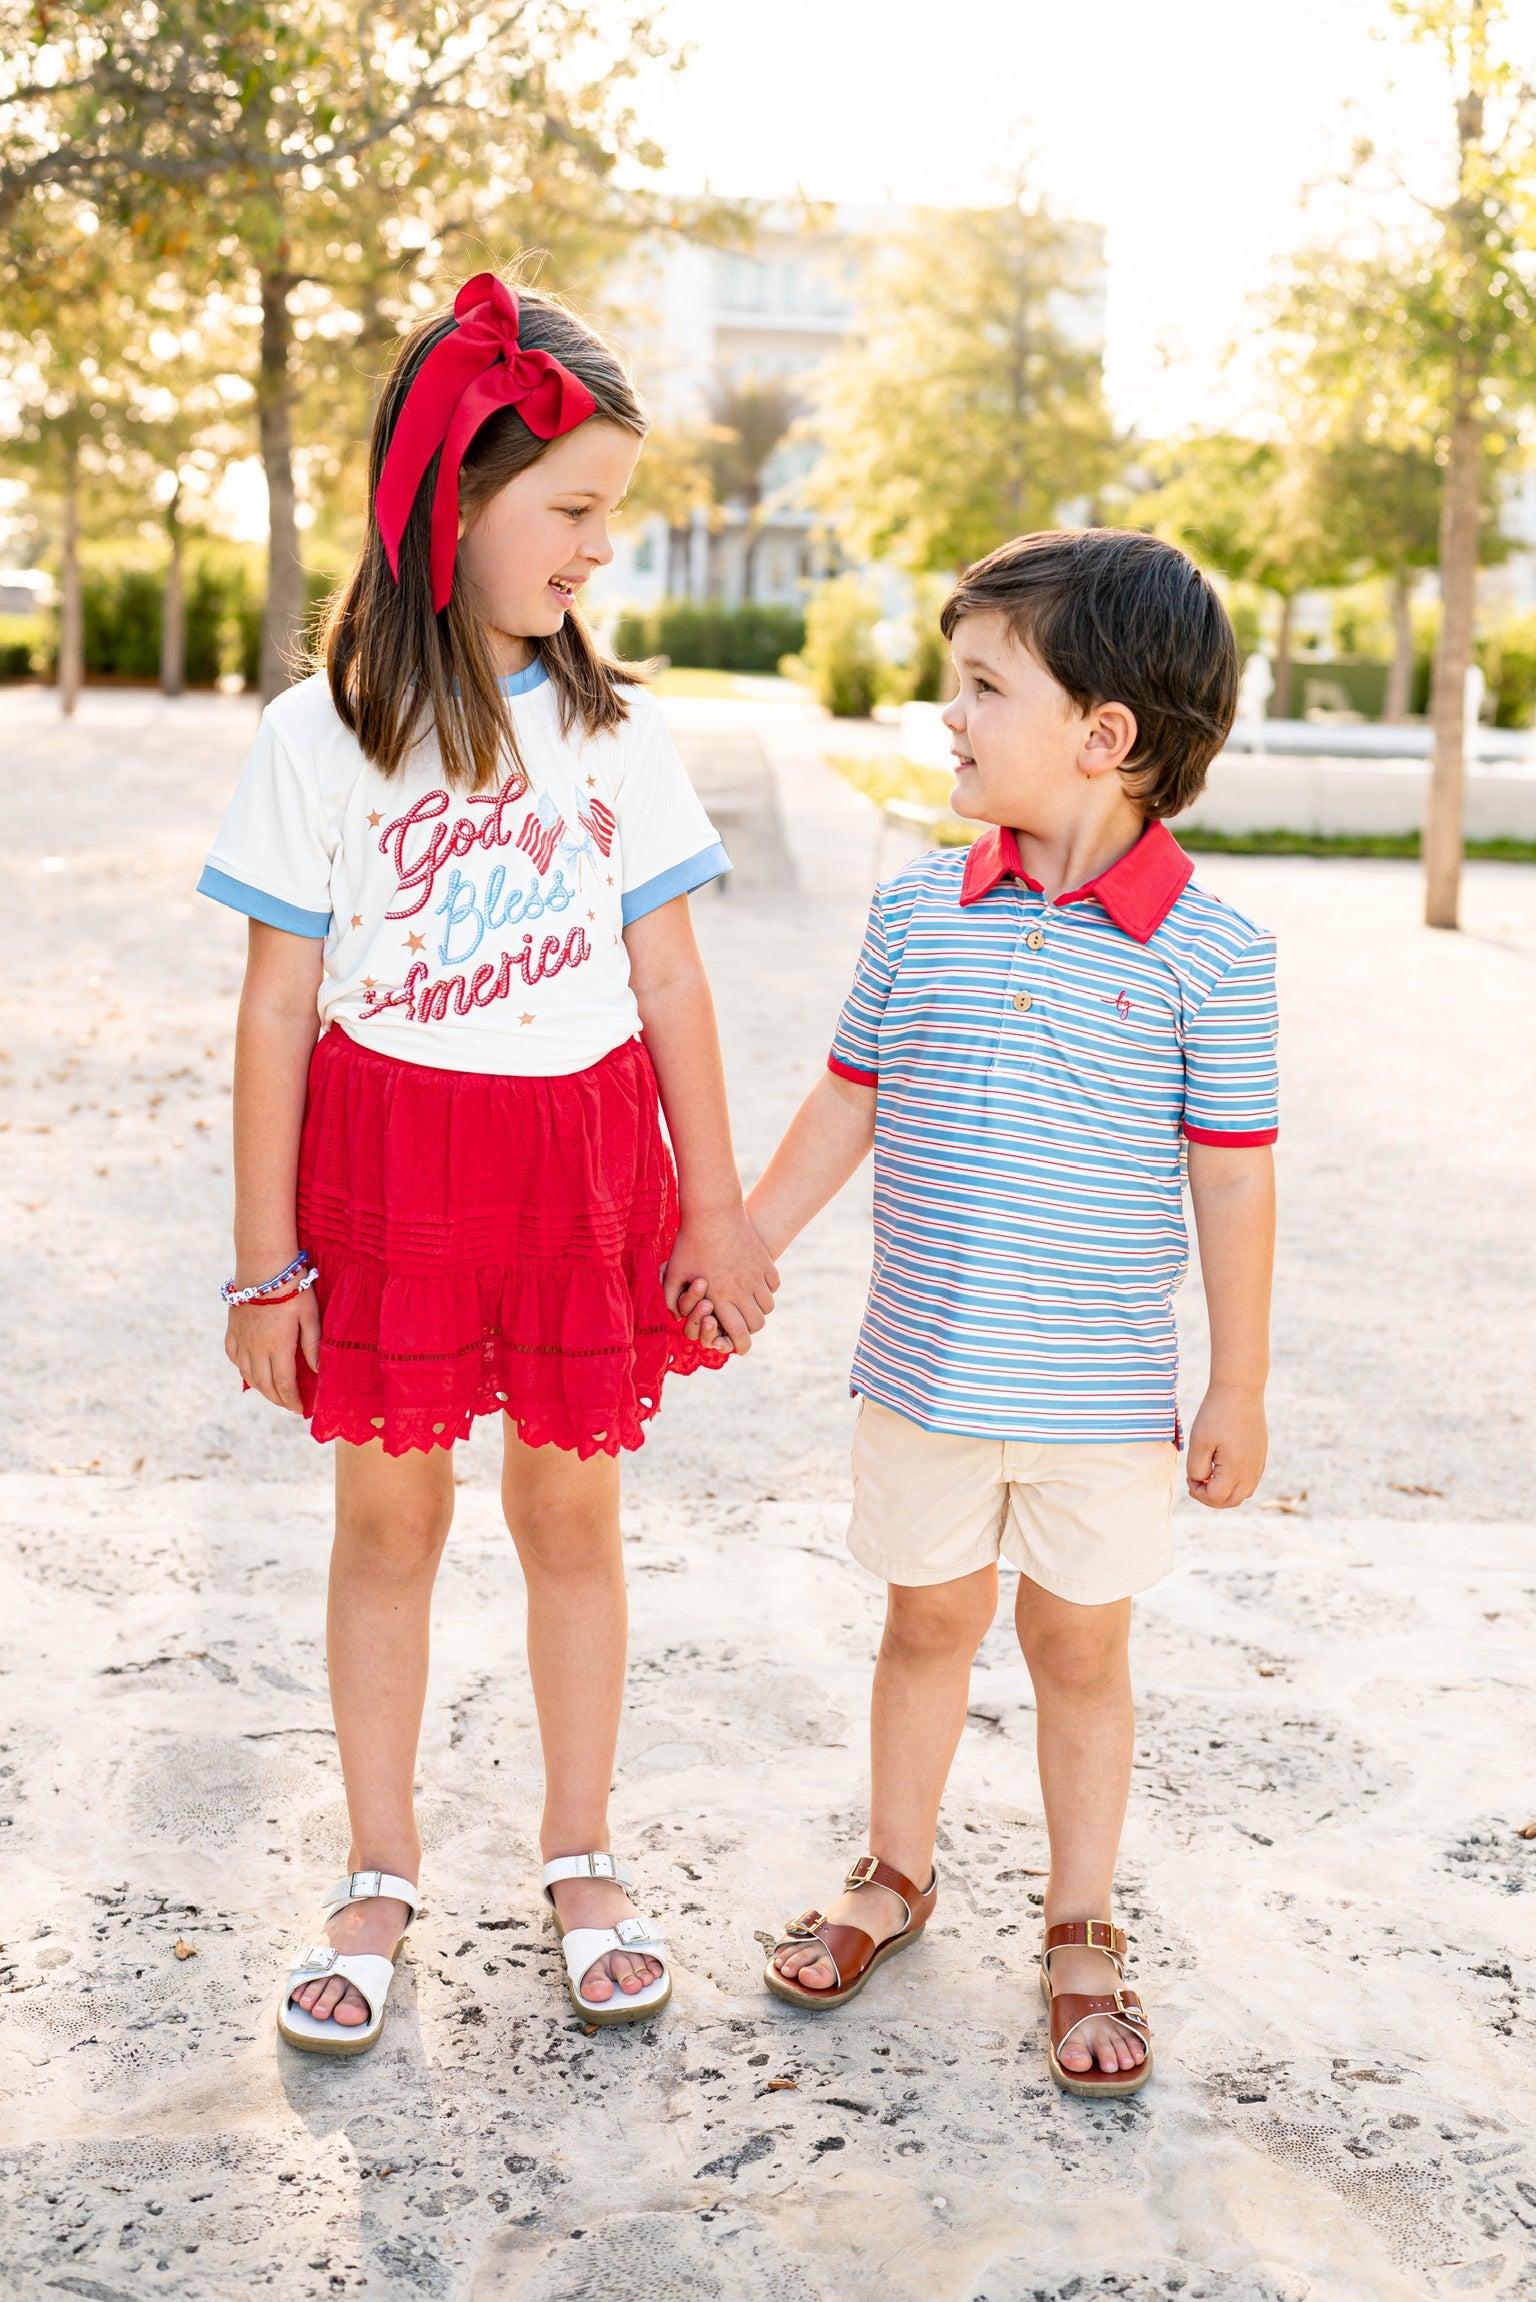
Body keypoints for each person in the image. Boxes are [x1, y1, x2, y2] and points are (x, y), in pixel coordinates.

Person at [199, 274, 778, 2054]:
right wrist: (259, 1259)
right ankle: (378, 1865)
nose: (602, 548)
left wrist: (721, 1203)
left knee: (569, 1510)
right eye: (576, 508)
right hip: (395, 1164)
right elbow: (277, 1007)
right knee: (390, 1515)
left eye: (612, 512)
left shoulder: (619, 728)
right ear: (452, 498)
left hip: (581, 1159)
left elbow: (669, 971)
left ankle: (583, 1849)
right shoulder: (323, 732)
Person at [695, 529, 1276, 2097]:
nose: (946, 715)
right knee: (925, 1623)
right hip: (923, 1379)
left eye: (979, 687)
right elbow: (844, 1103)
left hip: (1100, 1401)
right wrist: (744, 1234)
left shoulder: (1216, 956)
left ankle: (1081, 1922)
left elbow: (1232, 1186)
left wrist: (1239, 1387)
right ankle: (895, 1869)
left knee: (1080, 1651)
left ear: (1104, 737)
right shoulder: (917, 912)